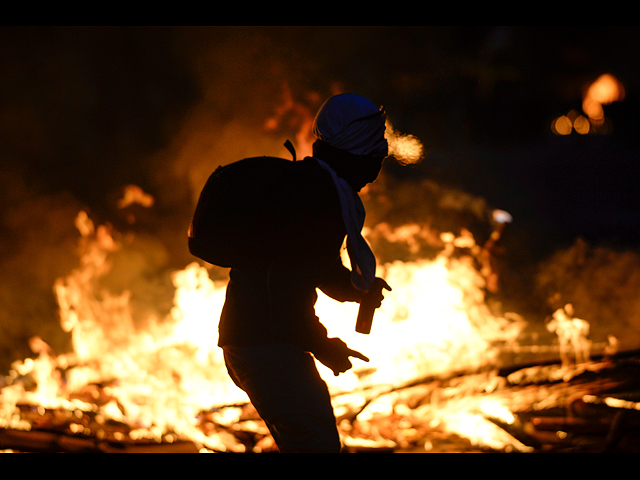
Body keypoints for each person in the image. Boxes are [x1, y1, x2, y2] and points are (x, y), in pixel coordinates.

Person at [218, 93, 391, 452]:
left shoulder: (314, 186)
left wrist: (357, 288)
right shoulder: (314, 197)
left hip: (257, 341)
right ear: (359, 152)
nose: (380, 162)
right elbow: (283, 291)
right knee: (317, 446)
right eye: (377, 151)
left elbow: (318, 269)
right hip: (264, 345)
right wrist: (323, 345)